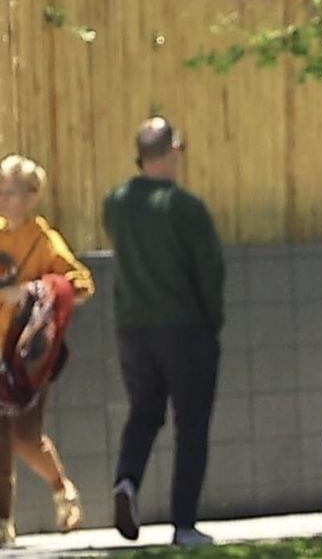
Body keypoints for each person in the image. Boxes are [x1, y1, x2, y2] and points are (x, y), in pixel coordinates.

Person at [101, 117, 224, 549]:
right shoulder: (185, 208)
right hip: (185, 328)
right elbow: (210, 272)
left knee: (144, 412)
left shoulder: (116, 203)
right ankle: (184, 524)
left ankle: (127, 481)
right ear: (172, 151)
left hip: (132, 330)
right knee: (191, 424)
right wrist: (212, 322)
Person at [0, 154, 93, 544]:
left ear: (32, 195)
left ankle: (61, 490)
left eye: (11, 192)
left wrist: (31, 293)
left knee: (25, 437)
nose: (3, 200)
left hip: (25, 359)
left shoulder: (44, 240)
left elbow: (80, 284)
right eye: (0, 191)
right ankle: (3, 523)